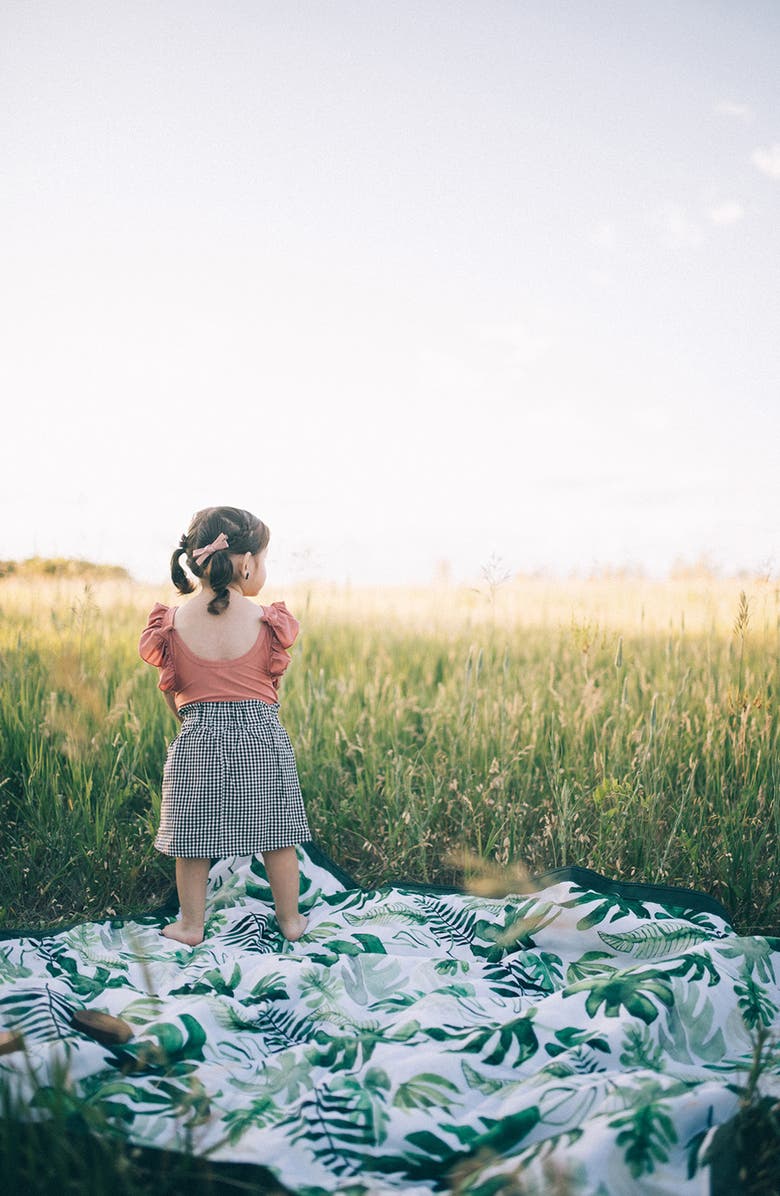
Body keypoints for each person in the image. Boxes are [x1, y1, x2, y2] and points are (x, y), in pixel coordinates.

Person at [138, 505, 311, 946]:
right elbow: (270, 690)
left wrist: (200, 723)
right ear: (248, 562)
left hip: (197, 740)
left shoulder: (171, 624)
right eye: (264, 558)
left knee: (190, 840)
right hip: (261, 737)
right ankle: (290, 921)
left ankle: (191, 925)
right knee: (279, 835)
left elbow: (171, 693)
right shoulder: (266, 620)